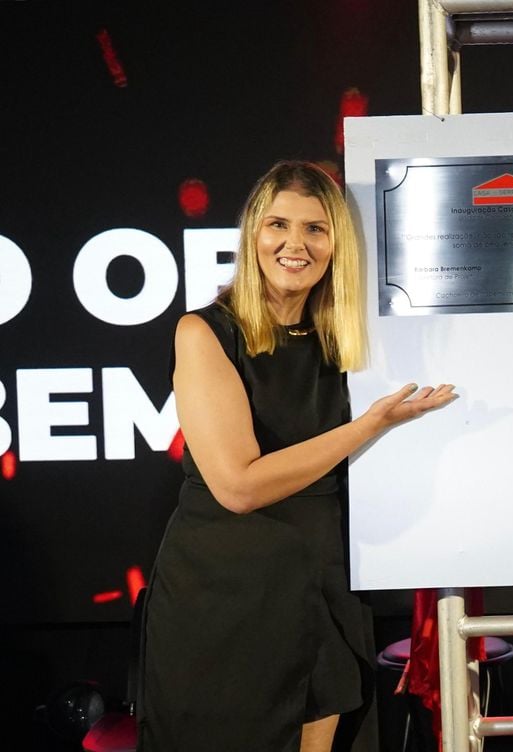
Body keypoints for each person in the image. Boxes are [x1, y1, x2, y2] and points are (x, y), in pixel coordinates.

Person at [138, 161, 456, 752]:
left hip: (321, 589)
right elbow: (239, 486)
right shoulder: (205, 333)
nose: (295, 244)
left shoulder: (347, 345)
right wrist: (370, 426)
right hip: (225, 598)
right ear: (252, 234)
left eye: (316, 229)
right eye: (278, 224)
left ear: (337, 245)